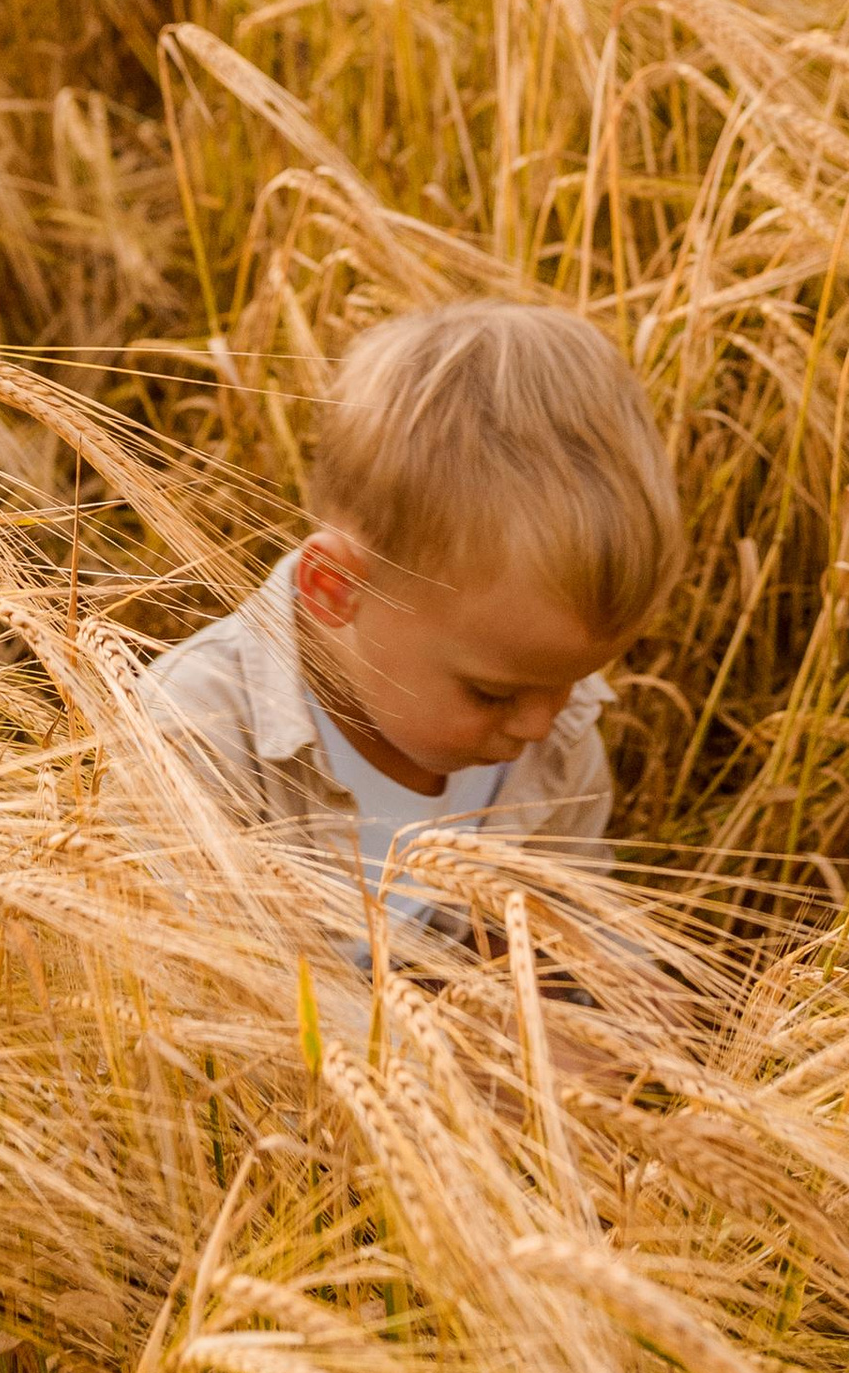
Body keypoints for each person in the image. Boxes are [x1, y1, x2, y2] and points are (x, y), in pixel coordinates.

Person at [139, 297, 681, 925]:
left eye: (569, 682)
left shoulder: (557, 741)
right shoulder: (198, 740)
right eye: (491, 694)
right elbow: (184, 996)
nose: (540, 725)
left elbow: (578, 932)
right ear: (336, 588)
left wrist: (612, 991)